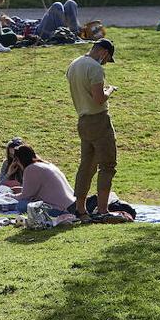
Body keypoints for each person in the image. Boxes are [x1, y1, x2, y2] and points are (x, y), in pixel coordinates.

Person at [66, 39, 119, 218]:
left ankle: (81, 210)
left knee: (86, 166)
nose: (105, 63)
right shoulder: (95, 68)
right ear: (104, 52)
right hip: (98, 120)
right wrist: (110, 90)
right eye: (107, 59)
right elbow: (99, 99)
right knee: (107, 165)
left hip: (83, 120)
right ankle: (103, 210)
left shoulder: (74, 64)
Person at [13, 145, 76, 213]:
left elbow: (26, 196)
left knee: (21, 205)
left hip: (60, 208)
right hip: (72, 204)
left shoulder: (31, 169)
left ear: (19, 159)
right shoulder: (47, 165)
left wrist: (9, 196)